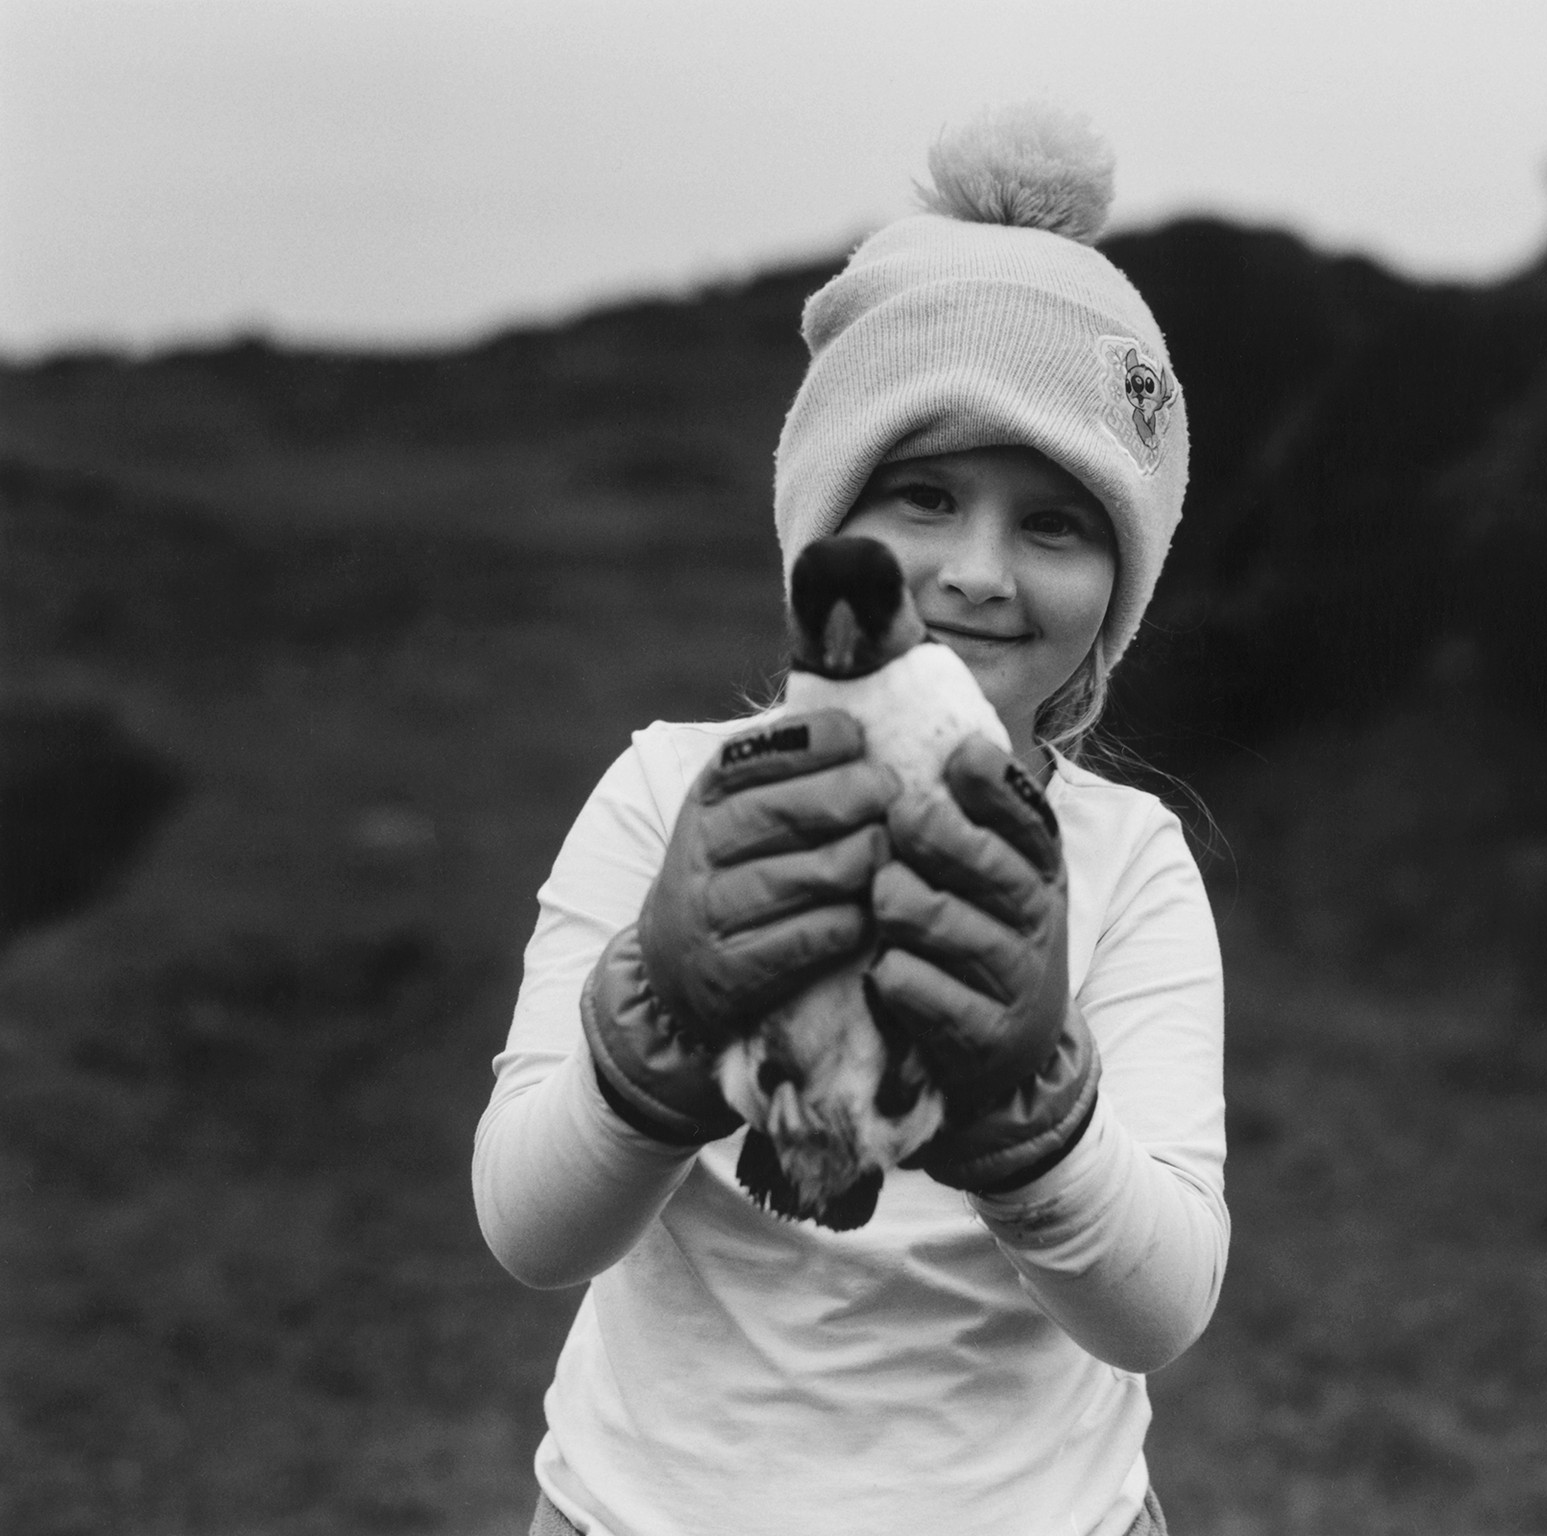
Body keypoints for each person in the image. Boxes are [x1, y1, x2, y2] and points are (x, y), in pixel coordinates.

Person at [473, 103, 1227, 1536]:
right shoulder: (670, 796)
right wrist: (656, 1035)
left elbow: (1163, 1307)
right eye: (923, 495)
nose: (978, 571)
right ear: (825, 526)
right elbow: (527, 1228)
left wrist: (1028, 1111)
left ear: (1119, 583)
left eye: (1056, 522)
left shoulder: (1127, 863)